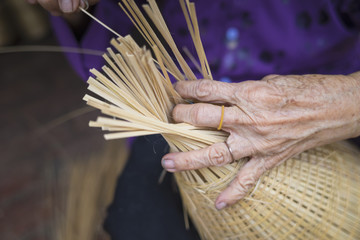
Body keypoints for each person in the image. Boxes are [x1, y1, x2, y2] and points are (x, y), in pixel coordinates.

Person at [28, 0, 360, 238]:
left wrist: (338, 106)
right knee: (135, 223)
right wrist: (75, 9)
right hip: (175, 112)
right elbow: (116, 36)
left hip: (328, 100)